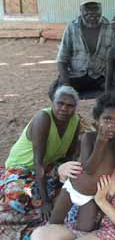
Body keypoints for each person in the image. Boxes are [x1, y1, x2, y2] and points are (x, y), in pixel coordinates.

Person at [31, 119, 115, 240]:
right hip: (92, 223)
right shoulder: (109, 161)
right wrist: (62, 169)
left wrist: (102, 201)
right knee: (39, 235)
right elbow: (82, 167)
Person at [48, 92, 115, 232]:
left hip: (92, 197)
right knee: (54, 223)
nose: (111, 124)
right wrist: (101, 143)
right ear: (97, 120)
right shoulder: (89, 138)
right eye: (107, 119)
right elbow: (89, 169)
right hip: (71, 188)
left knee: (84, 231)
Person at [3, 86, 80, 221]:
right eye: (60, 103)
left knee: (72, 192)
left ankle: (38, 211)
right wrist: (45, 202)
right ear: (52, 103)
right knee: (19, 198)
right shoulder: (43, 118)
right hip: (21, 168)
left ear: (75, 108)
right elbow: (37, 163)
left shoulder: (75, 121)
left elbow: (68, 157)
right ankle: (41, 208)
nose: (64, 109)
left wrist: (63, 183)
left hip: (49, 167)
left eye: (70, 106)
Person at [49, 0, 114, 99]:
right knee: (55, 91)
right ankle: (89, 95)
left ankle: (86, 95)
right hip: (76, 75)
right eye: (87, 9)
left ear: (101, 9)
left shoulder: (110, 28)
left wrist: (110, 81)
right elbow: (62, 59)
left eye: (95, 8)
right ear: (81, 10)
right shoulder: (72, 27)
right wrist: (66, 85)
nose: (91, 12)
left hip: (100, 77)